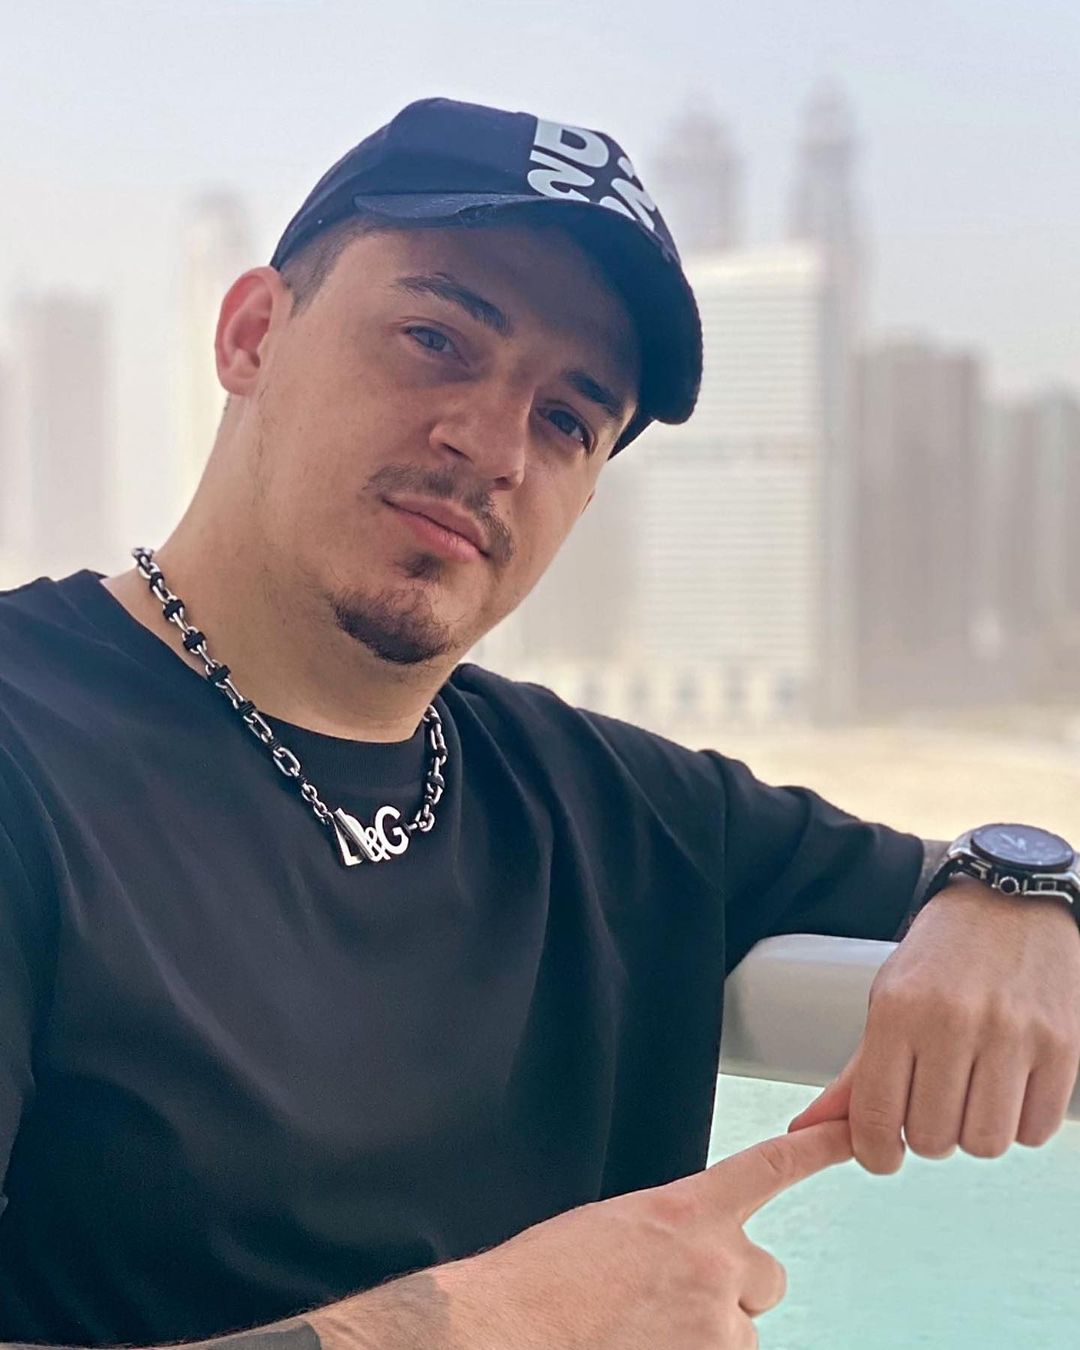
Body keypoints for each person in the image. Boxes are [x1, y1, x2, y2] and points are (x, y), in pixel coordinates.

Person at [1, 97, 1077, 1350]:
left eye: (570, 418)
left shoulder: (630, 812)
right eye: (435, 338)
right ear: (252, 334)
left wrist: (1016, 889)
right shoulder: (29, 750)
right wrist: (489, 1322)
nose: (495, 446)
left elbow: (975, 879)